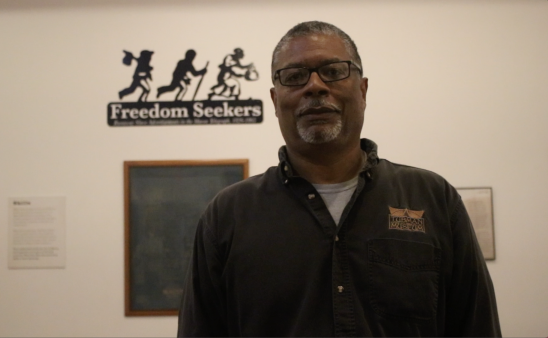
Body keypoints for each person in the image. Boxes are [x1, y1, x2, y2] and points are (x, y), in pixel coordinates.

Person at [178, 21, 501, 337]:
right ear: (276, 101)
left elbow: (477, 327)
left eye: (333, 71)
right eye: (294, 77)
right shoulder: (229, 214)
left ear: (362, 90)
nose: (315, 86)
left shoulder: (432, 198)